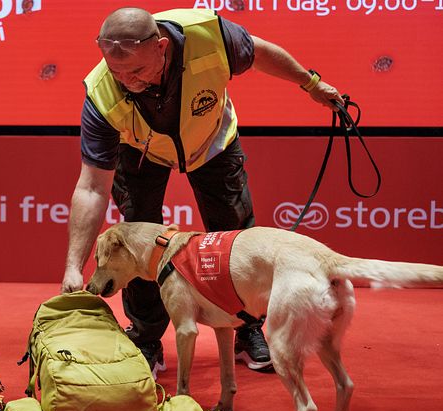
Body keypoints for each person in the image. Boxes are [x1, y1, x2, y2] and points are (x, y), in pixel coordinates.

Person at [60, 7, 344, 375]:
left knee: (235, 235)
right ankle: (146, 338)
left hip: (212, 141)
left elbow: (260, 53)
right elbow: (91, 187)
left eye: (137, 71)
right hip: (142, 149)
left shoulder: (209, 35)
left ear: (161, 47)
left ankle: (248, 330)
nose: (126, 80)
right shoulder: (101, 93)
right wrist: (72, 266)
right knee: (138, 241)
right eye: (117, 72)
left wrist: (311, 84)